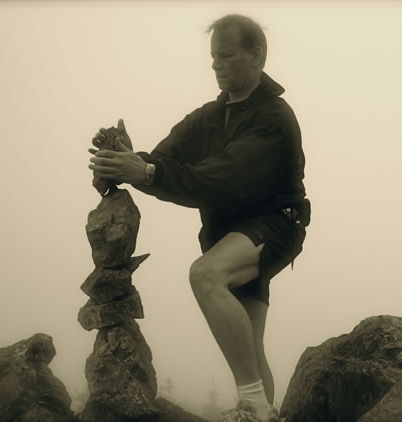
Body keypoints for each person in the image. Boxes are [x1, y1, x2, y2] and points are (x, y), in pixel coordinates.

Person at [88, 14, 309, 422]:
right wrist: (127, 160)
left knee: (205, 275)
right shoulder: (209, 116)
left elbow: (223, 179)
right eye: (212, 57)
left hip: (277, 224)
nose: (215, 64)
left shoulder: (273, 117)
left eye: (226, 55)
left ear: (256, 55)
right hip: (230, 233)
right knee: (252, 346)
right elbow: (164, 159)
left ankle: (254, 405)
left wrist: (147, 172)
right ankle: (264, 413)